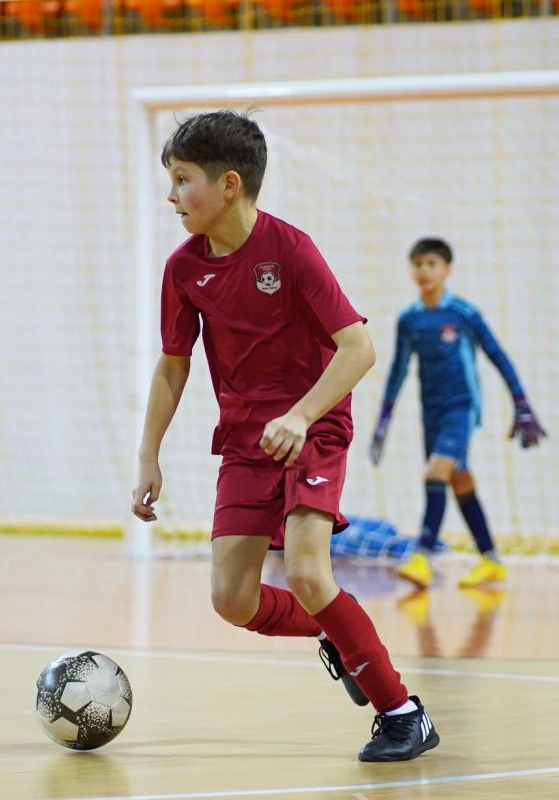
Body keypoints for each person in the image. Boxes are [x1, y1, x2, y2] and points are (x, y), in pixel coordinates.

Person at [131, 110, 437, 762]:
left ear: (229, 184)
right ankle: (338, 633)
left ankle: (402, 713)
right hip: (245, 440)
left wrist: (300, 415)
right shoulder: (183, 270)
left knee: (305, 570)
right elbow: (173, 365)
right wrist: (148, 456)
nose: (171, 195)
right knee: (231, 600)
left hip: (313, 427)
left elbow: (358, 348)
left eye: (183, 180)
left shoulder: (291, 250)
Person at [370, 237, 544, 590]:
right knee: (459, 480)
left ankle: (422, 556)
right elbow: (398, 371)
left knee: (435, 473)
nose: (424, 271)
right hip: (431, 412)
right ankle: (491, 560)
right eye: (417, 264)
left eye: (431, 264)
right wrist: (383, 419)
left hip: (461, 409)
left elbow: (498, 356)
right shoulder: (409, 319)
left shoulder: (463, 313)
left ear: (447, 269)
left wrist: (521, 402)